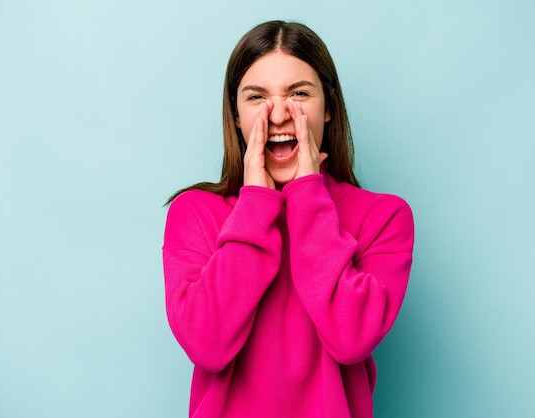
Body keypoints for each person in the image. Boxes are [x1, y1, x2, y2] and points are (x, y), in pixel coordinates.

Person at [162, 20, 414, 418]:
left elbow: (350, 339)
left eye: (299, 93)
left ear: (328, 107)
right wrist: (257, 203)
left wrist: (308, 197)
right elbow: (207, 345)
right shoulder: (194, 212)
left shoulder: (384, 217)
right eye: (256, 96)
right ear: (236, 113)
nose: (278, 114)